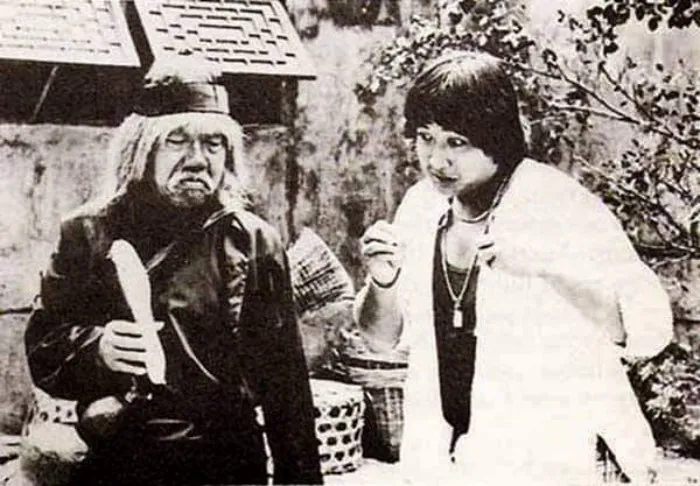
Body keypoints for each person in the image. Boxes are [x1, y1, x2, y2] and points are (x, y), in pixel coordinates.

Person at [355, 50, 673, 485]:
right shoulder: (421, 205)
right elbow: (379, 337)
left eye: (456, 142)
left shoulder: (557, 203)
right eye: (426, 138)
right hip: (439, 459)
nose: (436, 160)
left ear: (496, 137)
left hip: (543, 457)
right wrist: (383, 280)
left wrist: (548, 269)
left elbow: (647, 329)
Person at [24, 59, 322, 485]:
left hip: (230, 464)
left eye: (214, 143)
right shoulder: (88, 232)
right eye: (177, 140)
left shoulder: (255, 241)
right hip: (126, 462)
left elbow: (287, 387)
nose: (197, 159)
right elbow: (43, 347)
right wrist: (98, 347)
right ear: (142, 149)